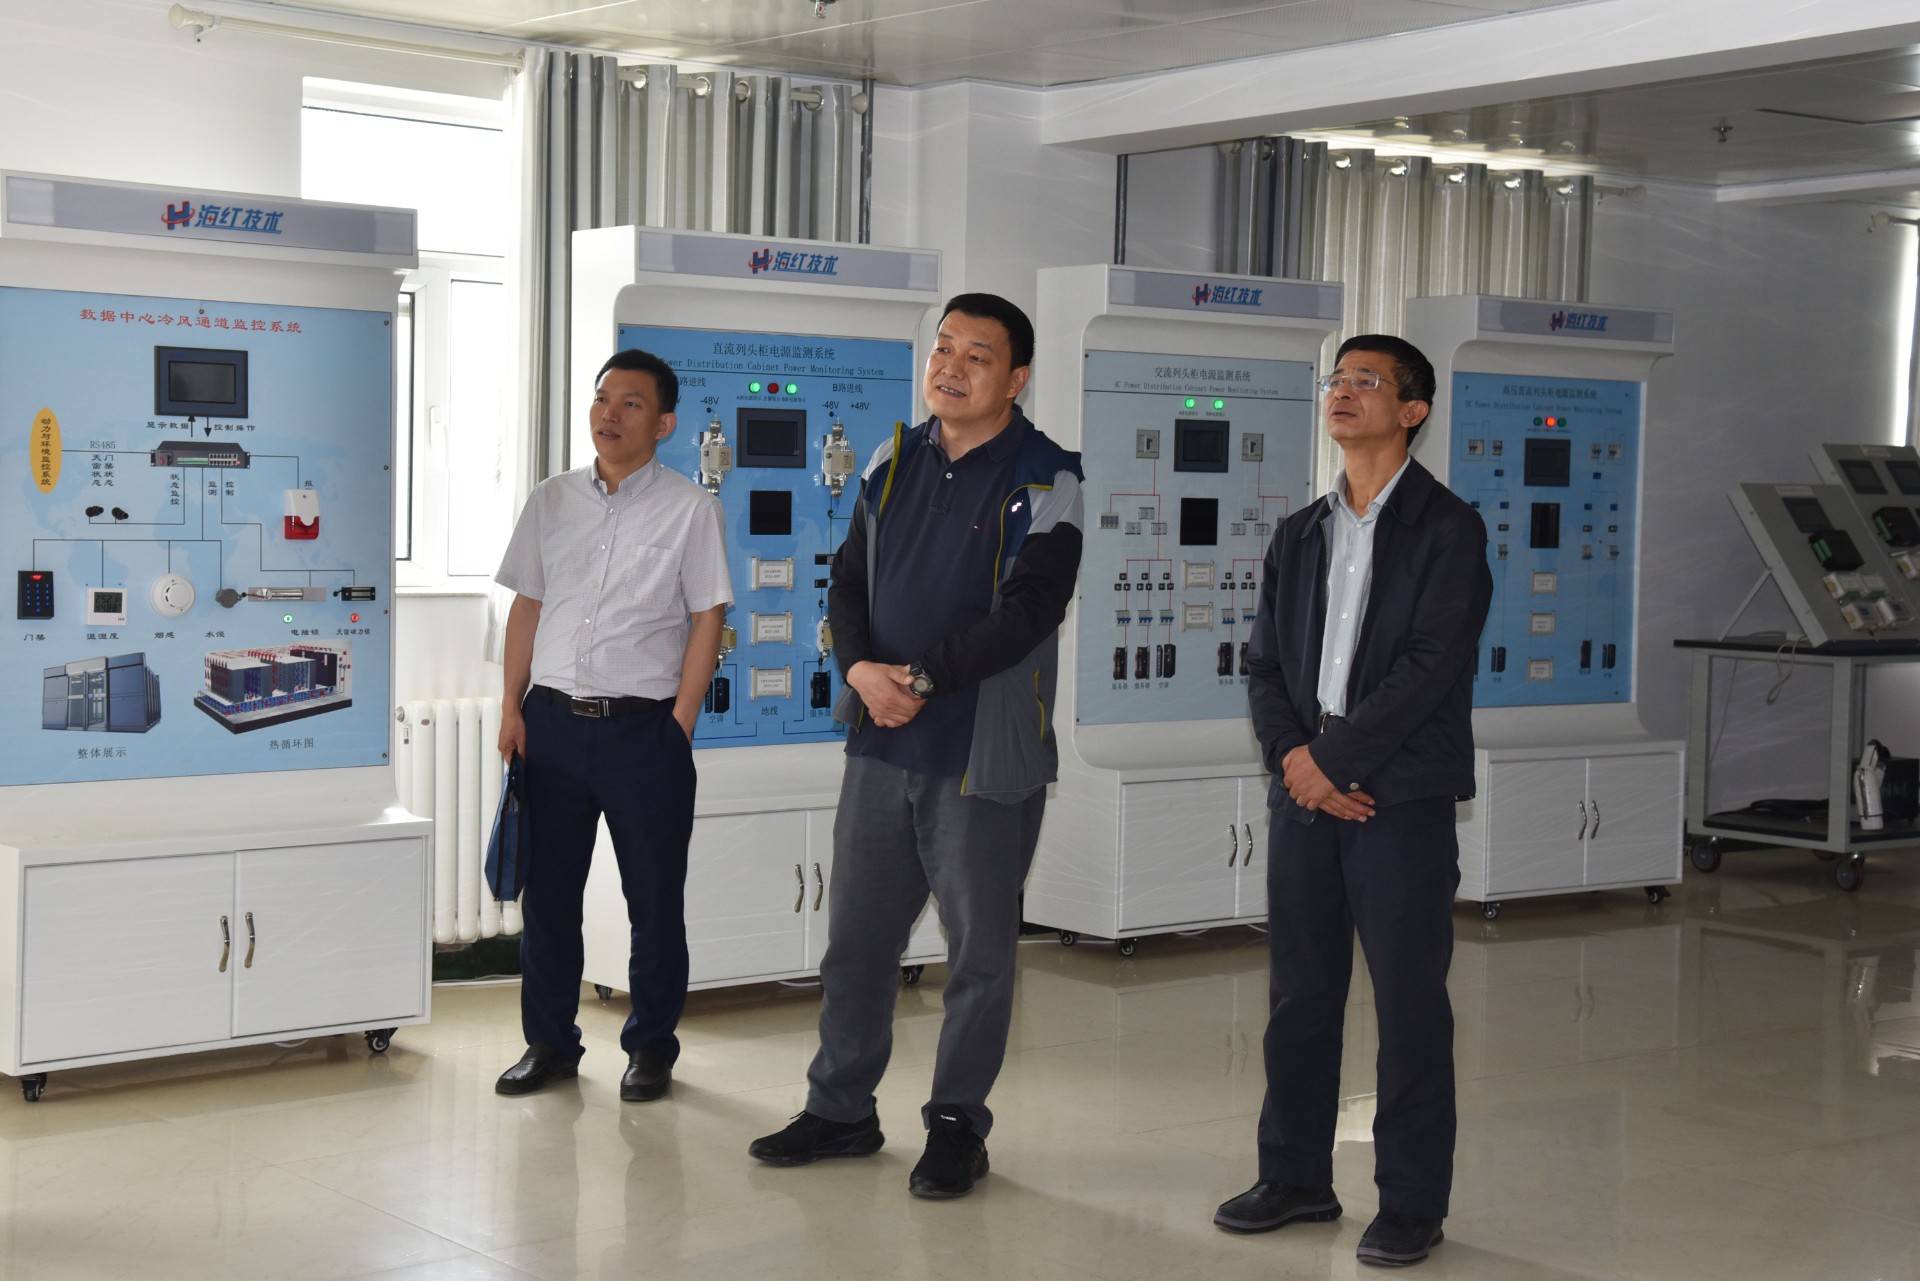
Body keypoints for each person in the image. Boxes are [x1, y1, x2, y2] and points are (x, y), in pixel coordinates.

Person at [746, 293, 1083, 1199]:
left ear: (1016, 378)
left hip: (981, 753)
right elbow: (846, 582)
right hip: (880, 745)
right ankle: (841, 1109)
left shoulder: (1049, 478)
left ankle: (956, 1126)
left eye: (977, 355)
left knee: (978, 957)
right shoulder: (891, 459)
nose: (951, 367)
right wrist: (860, 670)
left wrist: (920, 680)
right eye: (943, 348)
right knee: (855, 944)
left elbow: (1029, 612)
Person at [1216, 335, 1490, 1268]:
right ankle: (1295, 1175)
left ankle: (1411, 1201)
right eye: (1337, 378)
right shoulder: (1300, 532)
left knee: (1409, 1004)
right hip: (1307, 789)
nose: (1343, 391)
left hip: (1398, 796)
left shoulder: (1449, 529)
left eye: (1366, 380)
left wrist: (1334, 761)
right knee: (1300, 995)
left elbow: (1430, 667)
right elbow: (1264, 666)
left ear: (1413, 410)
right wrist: (1297, 761)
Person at [491, 347, 731, 1104]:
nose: (610, 414)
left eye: (631, 403)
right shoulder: (551, 499)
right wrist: (511, 705)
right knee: (548, 900)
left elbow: (708, 617)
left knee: (654, 901)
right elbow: (527, 605)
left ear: (663, 424)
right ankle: (549, 1044)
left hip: (643, 734)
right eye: (602, 399)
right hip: (552, 726)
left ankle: (651, 1047)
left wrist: (679, 724)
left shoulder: (691, 509)